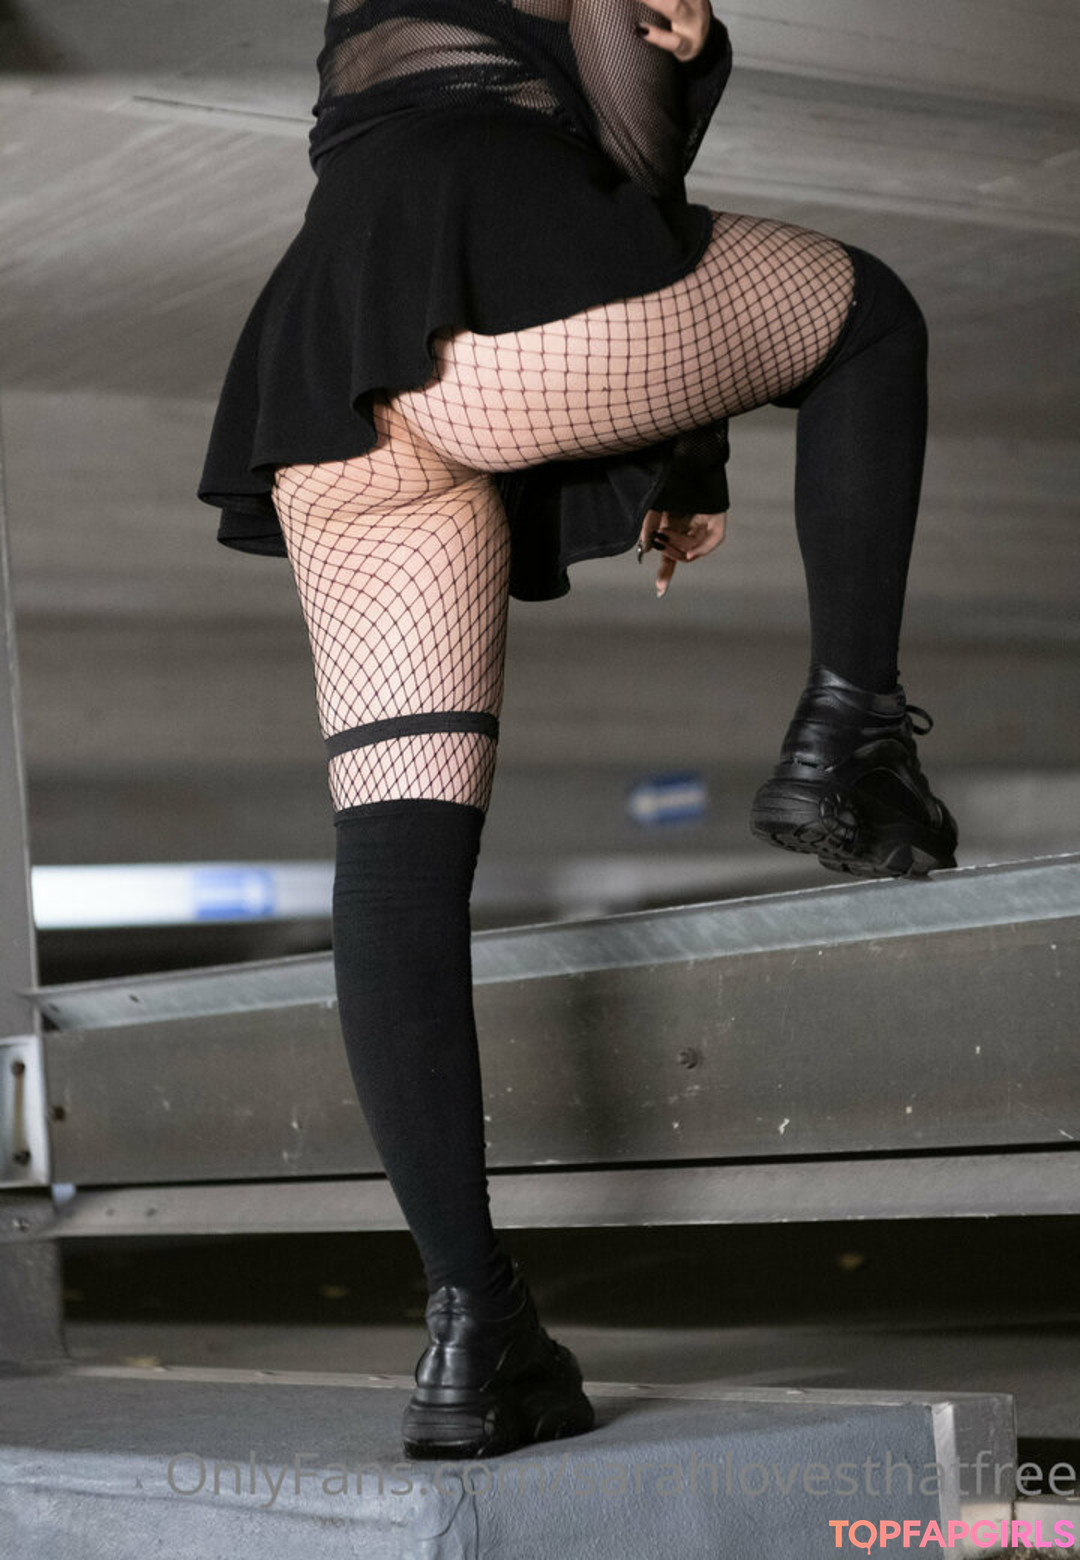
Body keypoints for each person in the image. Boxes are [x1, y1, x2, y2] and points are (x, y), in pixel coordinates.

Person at [197, 0, 959, 1462]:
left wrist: (679, 437)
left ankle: (474, 1329)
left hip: (338, 368)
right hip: (503, 288)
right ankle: (850, 731)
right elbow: (629, 141)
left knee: (397, 865)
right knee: (869, 314)